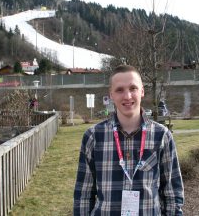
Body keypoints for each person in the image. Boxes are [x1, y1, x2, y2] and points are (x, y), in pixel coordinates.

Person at [73, 65, 184, 215]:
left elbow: (172, 193)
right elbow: (83, 195)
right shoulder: (93, 137)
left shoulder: (162, 136)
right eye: (119, 90)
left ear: (142, 91)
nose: (127, 96)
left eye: (133, 88)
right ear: (111, 94)